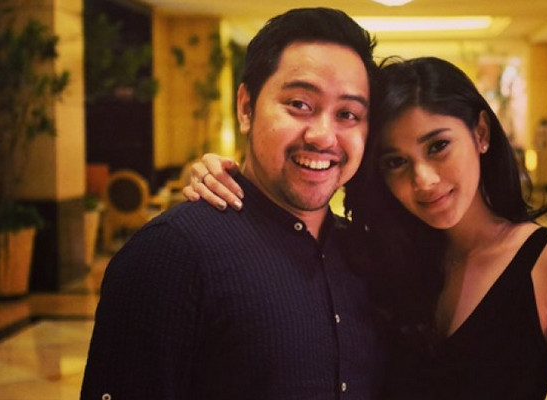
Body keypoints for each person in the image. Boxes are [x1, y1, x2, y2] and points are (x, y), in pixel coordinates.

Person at [186, 57, 547, 399]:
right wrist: (220, 173)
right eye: (396, 162)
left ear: (481, 133)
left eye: (438, 146)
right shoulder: (375, 257)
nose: (423, 180)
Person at [81, 8, 385, 400]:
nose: (323, 136)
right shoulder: (171, 254)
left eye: (348, 114)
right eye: (299, 104)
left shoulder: (365, 255)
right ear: (246, 107)